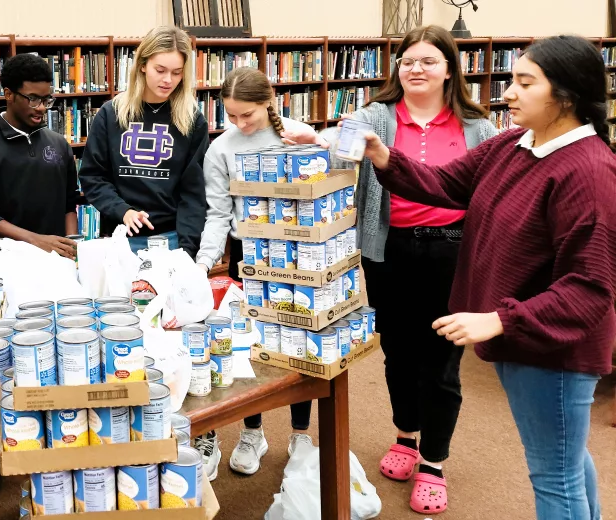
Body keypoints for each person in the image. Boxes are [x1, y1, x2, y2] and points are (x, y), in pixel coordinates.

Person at [362, 35, 615, 519]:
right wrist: (384, 157)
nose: (508, 93)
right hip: (525, 339)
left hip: (555, 351)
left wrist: (500, 320)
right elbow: (444, 182)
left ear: (566, 95)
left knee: (554, 475)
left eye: (524, 82)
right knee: (568, 458)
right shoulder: (513, 144)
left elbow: (590, 287)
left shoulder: (588, 170)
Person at [322, 25, 496, 514]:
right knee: (397, 353)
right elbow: (336, 147)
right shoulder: (375, 115)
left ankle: (434, 462)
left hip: (453, 254)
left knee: (441, 362)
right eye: (408, 61)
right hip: (389, 250)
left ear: (449, 70)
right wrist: (305, 135)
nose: (416, 69)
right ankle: (405, 436)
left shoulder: (479, 127)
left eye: (428, 61)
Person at [194, 67, 327, 480]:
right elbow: (217, 215)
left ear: (269, 101)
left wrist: (321, 143)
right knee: (251, 347)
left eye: (247, 115)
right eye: (231, 115)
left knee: (299, 345)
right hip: (248, 258)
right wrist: (201, 264)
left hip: (302, 257)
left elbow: (328, 191)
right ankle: (253, 432)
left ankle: (301, 433)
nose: (239, 124)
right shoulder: (221, 149)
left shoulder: (298, 135)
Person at [78, 25, 208, 256]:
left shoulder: (192, 120)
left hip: (172, 240)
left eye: (177, 72)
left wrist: (187, 250)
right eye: (160, 70)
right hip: (119, 239)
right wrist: (123, 211)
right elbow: (93, 177)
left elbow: (193, 193)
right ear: (142, 66)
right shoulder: (111, 114)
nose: (168, 80)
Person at [0, 53, 79, 269]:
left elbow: (69, 204)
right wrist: (36, 241)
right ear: (8, 94)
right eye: (33, 99)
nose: (42, 107)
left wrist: (71, 245)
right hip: (3, 267)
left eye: (46, 100)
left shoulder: (59, 144)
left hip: (57, 265)